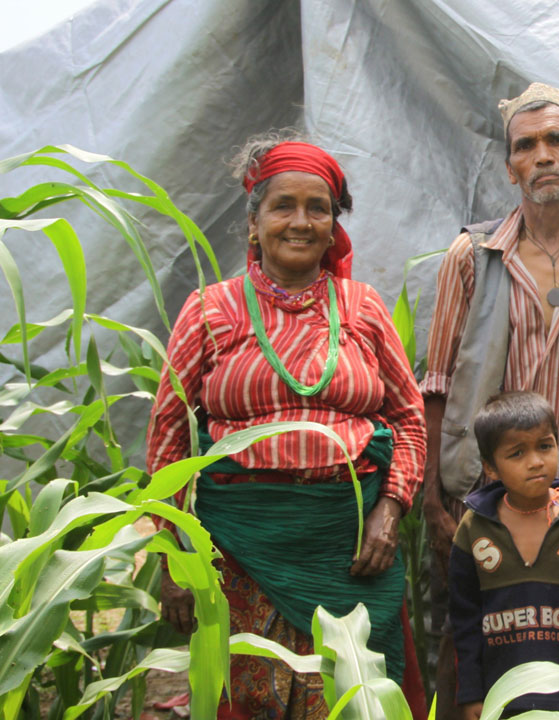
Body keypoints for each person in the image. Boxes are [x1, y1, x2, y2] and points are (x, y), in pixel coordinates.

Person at [146, 133, 428, 719]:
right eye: (283, 206)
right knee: (250, 696)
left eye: (317, 208)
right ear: (254, 223)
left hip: (352, 547)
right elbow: (168, 436)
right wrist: (172, 552)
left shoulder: (362, 307)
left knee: (355, 695)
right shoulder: (210, 311)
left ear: (332, 226)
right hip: (241, 549)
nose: (301, 222)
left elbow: (408, 419)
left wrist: (390, 510)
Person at [422, 81, 559, 716]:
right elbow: (438, 382)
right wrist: (436, 497)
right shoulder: (473, 257)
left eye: (557, 140)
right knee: (468, 643)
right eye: (526, 146)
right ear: (510, 167)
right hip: (479, 499)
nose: (543, 155)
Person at [448, 392, 559, 719]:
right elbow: (465, 622)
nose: (535, 461)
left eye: (545, 446)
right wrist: (471, 694)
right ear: (490, 467)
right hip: (500, 703)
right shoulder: (474, 529)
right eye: (517, 453)